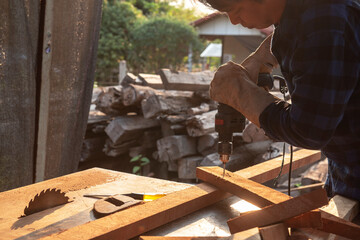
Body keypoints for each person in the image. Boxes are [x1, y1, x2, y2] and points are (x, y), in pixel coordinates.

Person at [198, 0, 360, 201]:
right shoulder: (306, 11)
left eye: (237, 9)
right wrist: (263, 56)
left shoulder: (326, 18)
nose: (233, 20)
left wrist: (242, 95)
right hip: (346, 169)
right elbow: (304, 27)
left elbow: (309, 130)